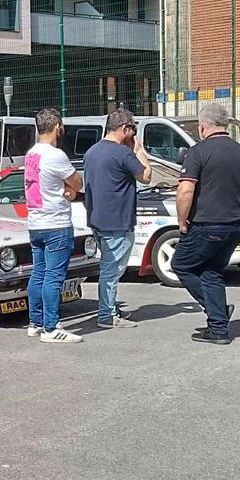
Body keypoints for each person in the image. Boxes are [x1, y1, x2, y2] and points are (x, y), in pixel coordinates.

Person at [170, 104, 240, 345]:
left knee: (182, 265)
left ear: (203, 126)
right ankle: (218, 328)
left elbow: (185, 190)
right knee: (211, 271)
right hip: (236, 224)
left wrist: (182, 221)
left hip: (206, 224)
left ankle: (217, 311)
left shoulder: (198, 152)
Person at [82, 108, 152, 329]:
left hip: (97, 218)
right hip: (118, 220)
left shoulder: (91, 152)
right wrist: (139, 150)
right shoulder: (123, 153)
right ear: (124, 128)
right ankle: (107, 314)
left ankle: (109, 307)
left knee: (108, 266)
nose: (134, 134)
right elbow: (146, 176)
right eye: (133, 129)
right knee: (112, 270)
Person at [23, 107, 84, 343]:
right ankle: (51, 327)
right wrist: (70, 189)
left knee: (38, 273)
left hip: (35, 222)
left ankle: (35, 323)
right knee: (54, 277)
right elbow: (77, 182)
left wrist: (65, 188)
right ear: (58, 127)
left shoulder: (31, 153)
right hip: (55, 223)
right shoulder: (55, 155)